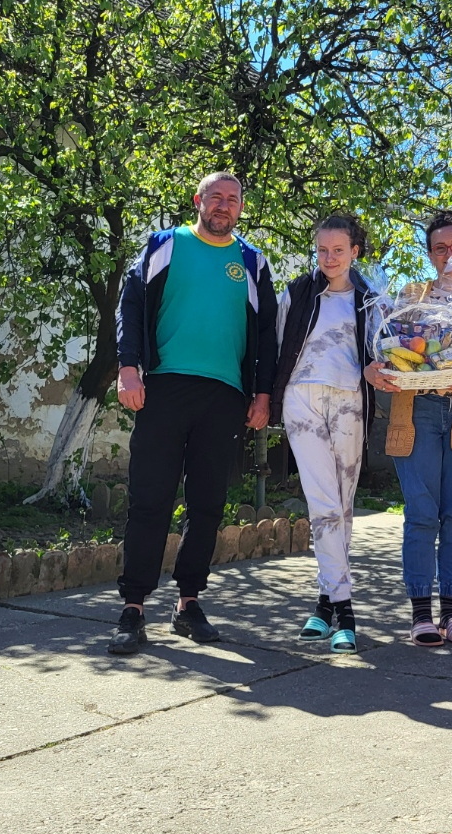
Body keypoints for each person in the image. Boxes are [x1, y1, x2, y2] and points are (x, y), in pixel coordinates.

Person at [108, 171, 277, 655]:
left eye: (233, 199)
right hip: (163, 387)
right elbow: (130, 305)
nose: (224, 205)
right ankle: (133, 607)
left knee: (206, 504)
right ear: (197, 200)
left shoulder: (252, 261)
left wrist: (262, 394)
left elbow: (267, 332)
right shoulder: (164, 245)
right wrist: (128, 368)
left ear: (240, 208)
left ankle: (188, 603)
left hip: (225, 395)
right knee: (150, 498)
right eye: (215, 197)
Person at [364, 210, 452, 646]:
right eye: (440, 248)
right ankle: (421, 614)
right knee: (421, 514)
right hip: (417, 412)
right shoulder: (409, 297)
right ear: (430, 255)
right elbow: (387, 350)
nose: (450, 255)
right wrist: (374, 371)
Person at [269, 214, 379, 654]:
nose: (329, 258)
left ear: (355, 251)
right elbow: (275, 345)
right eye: (322, 250)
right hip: (302, 399)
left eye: (338, 250)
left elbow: (380, 355)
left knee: (343, 505)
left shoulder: (370, 299)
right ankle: (346, 611)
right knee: (323, 503)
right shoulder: (297, 292)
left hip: (350, 401)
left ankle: (324, 603)